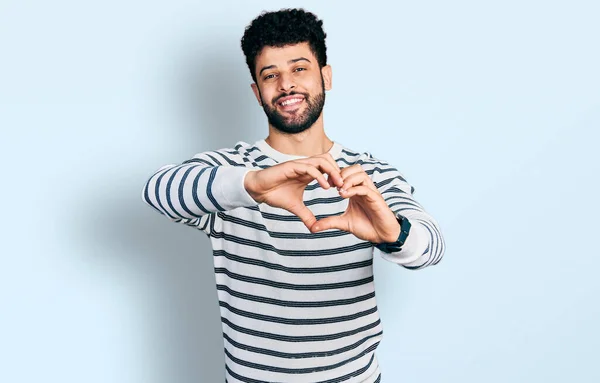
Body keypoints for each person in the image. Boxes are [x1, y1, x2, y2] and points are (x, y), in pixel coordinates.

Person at [142, 8, 445, 383]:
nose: (286, 85)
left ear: (326, 76)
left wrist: (391, 232)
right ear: (257, 92)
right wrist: (253, 185)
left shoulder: (369, 175)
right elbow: (157, 191)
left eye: (299, 68)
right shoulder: (233, 170)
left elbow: (431, 248)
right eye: (271, 75)